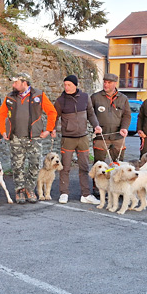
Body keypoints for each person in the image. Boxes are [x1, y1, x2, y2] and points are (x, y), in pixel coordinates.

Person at [0, 73, 57, 203]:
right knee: (17, 166)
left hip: (34, 137)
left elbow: (52, 111)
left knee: (35, 164)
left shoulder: (39, 95)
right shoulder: (10, 97)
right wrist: (3, 131)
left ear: (24, 83)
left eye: (16, 82)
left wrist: (48, 129)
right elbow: (1, 115)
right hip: (16, 137)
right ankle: (19, 191)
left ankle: (30, 189)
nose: (13, 85)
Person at [54, 75, 102, 205]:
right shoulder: (60, 101)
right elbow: (54, 116)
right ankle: (64, 193)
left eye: (69, 85)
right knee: (65, 168)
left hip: (83, 138)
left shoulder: (85, 97)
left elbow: (91, 114)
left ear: (75, 85)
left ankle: (85, 194)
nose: (66, 87)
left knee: (84, 166)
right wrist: (52, 129)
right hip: (67, 138)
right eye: (65, 85)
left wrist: (96, 125)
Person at [90, 73, 131, 164]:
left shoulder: (123, 98)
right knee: (99, 165)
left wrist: (124, 128)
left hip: (118, 137)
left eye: (109, 82)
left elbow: (127, 115)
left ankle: (114, 179)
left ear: (115, 83)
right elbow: (89, 114)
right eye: (105, 82)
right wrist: (95, 126)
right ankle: (97, 179)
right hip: (101, 136)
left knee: (118, 165)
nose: (106, 84)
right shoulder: (95, 97)